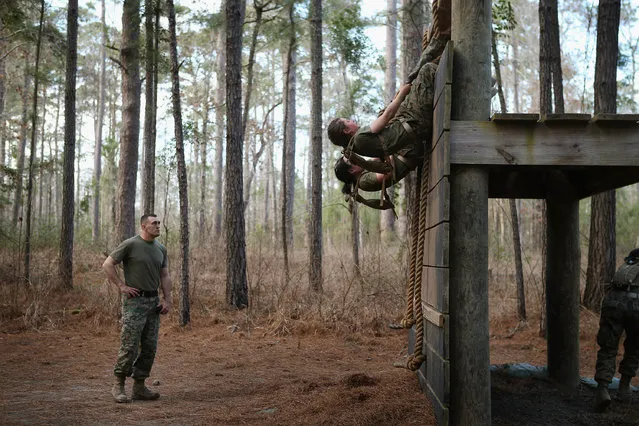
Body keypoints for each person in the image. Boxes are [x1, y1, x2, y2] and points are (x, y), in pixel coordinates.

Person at [103, 214, 173, 403]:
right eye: (154, 223)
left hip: (153, 304)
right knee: (130, 345)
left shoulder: (160, 248)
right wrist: (121, 286)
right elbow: (108, 264)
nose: (158, 226)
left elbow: (165, 275)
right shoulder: (130, 244)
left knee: (149, 347)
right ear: (143, 226)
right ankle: (118, 384)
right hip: (134, 303)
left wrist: (167, 299)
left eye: (159, 223)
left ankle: (140, 386)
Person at [593, 248, 639, 411]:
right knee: (634, 346)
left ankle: (603, 389)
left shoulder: (626, 266)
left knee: (608, 347)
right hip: (636, 306)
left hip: (613, 302)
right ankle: (624, 387)